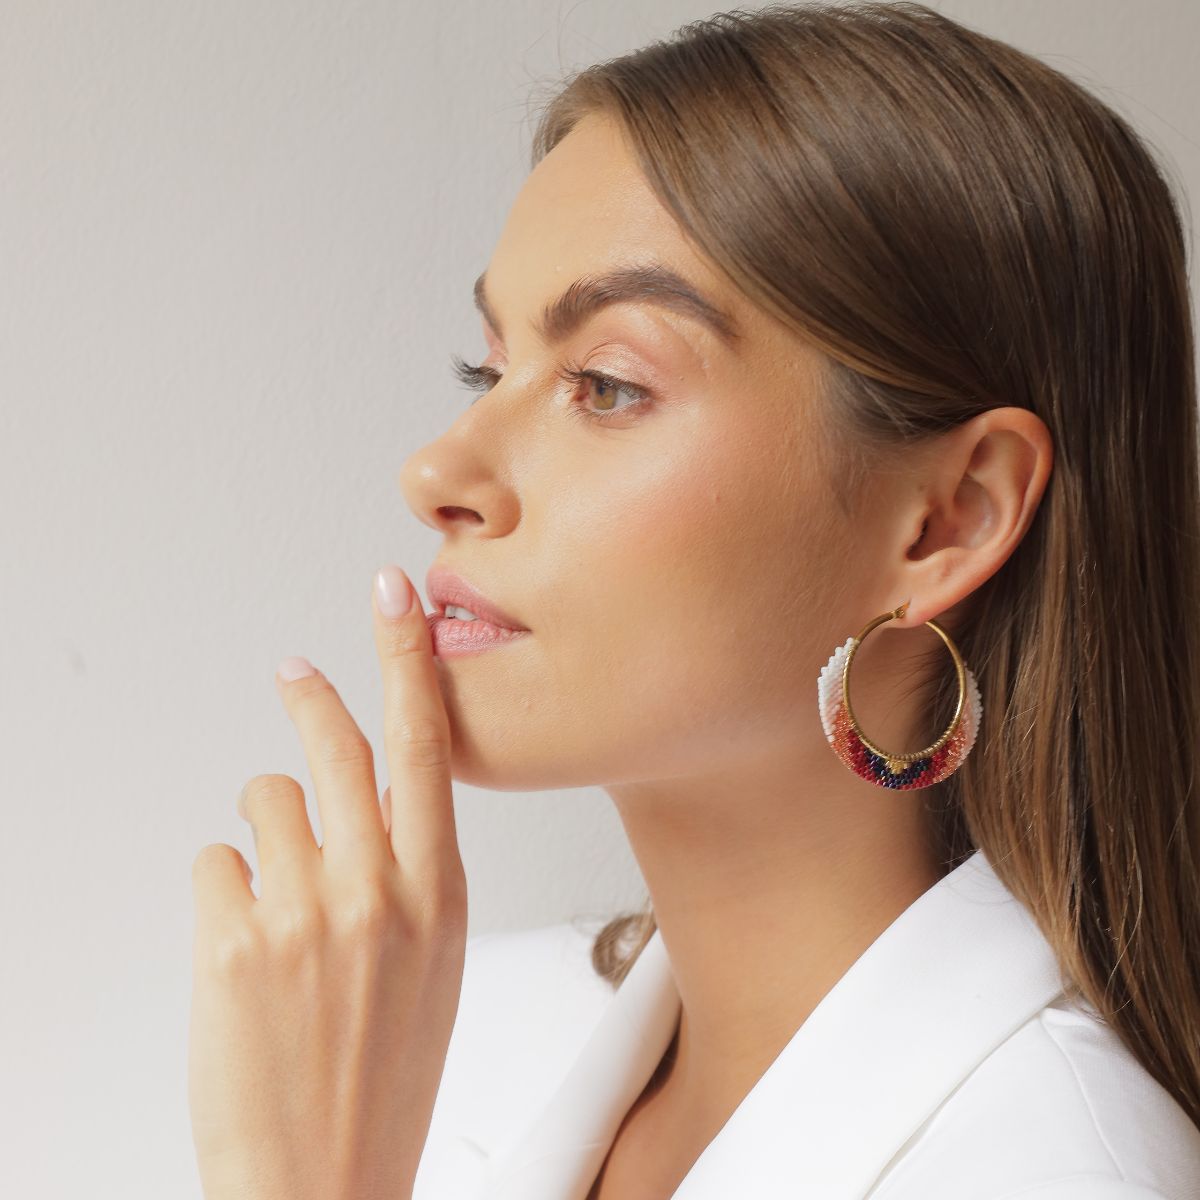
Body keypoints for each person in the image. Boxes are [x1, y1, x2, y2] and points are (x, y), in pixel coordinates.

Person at [187, 3, 1200, 1199]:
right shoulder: (416, 1040)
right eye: (488, 368)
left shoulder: (1058, 1167)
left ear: (950, 519)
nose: (436, 472)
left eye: (605, 384)